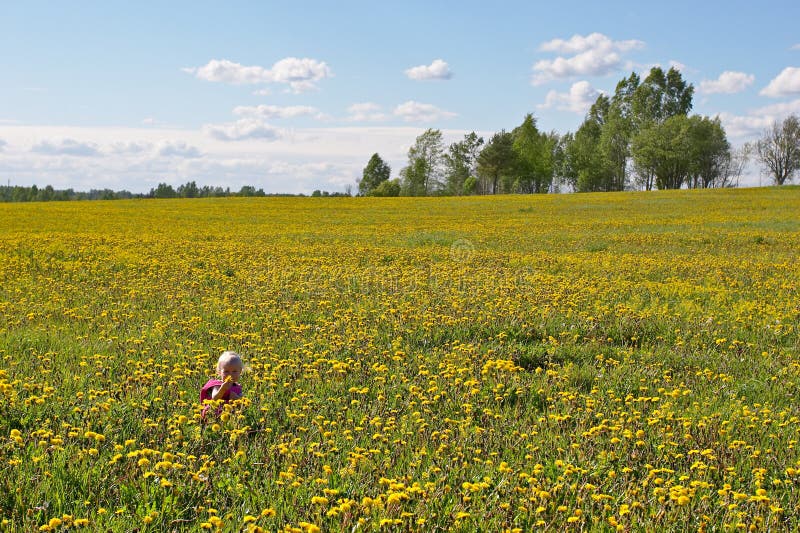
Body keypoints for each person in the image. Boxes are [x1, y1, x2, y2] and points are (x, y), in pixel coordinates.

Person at [200, 351, 244, 418]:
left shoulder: (238, 387)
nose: (230, 374)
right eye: (226, 371)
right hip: (215, 414)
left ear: (240, 371)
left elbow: (241, 402)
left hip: (231, 415)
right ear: (219, 372)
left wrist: (237, 398)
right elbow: (214, 398)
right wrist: (223, 389)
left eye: (234, 371)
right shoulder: (218, 385)